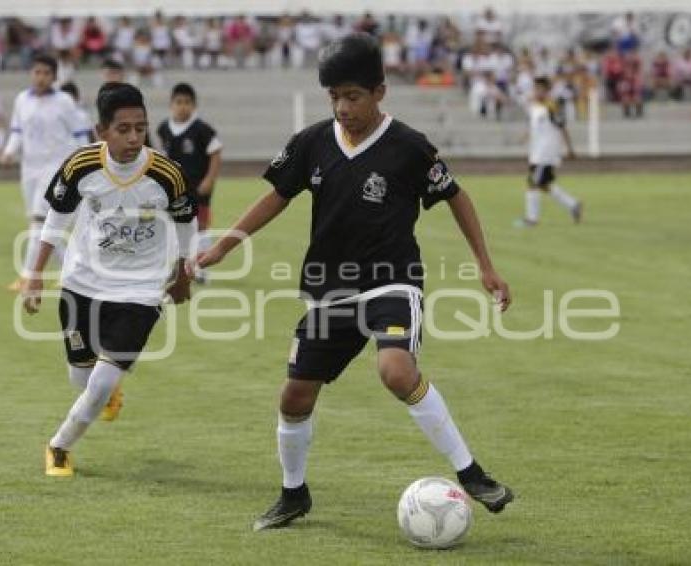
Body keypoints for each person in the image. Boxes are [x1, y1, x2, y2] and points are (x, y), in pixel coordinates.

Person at [188, 34, 514, 530]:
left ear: (380, 92)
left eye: (353, 96)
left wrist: (485, 267)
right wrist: (222, 247)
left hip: (392, 282)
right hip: (330, 289)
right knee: (294, 397)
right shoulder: (312, 142)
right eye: (334, 97)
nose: (342, 107)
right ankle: (293, 494)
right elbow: (276, 197)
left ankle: (471, 473)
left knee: (396, 371)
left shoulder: (408, 147)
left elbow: (456, 197)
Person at [21, 82, 196, 476]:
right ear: (102, 131)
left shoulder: (166, 174)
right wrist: (34, 275)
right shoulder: (81, 165)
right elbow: (55, 221)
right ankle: (103, 393)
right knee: (80, 377)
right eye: (124, 129)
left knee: (99, 384)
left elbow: (187, 220)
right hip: (82, 282)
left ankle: (58, 446)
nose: (135, 137)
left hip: (142, 289)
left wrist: (184, 271)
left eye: (141, 127)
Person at [1, 54, 91, 292]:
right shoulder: (22, 99)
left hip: (56, 167)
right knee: (41, 223)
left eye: (46, 73)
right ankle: (72, 272)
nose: (41, 78)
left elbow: (80, 135)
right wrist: (9, 151)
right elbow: (17, 130)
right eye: (37, 72)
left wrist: (86, 165)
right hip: (29, 168)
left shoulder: (64, 102)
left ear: (54, 76)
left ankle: (28, 276)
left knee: (41, 220)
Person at [156, 83, 222, 283]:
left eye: (187, 103)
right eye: (178, 102)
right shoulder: (164, 128)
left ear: (194, 106)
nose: (182, 106)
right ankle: (177, 268)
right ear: (171, 105)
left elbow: (216, 152)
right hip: (176, 188)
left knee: (200, 226)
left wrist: (209, 179)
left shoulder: (202, 129)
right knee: (174, 227)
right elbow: (162, 155)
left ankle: (201, 269)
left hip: (198, 187)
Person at [517, 77, 582, 227]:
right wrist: (524, 137)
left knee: (532, 182)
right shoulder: (535, 107)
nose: (537, 92)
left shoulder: (552, 106)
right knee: (544, 185)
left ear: (547, 90)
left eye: (540, 89)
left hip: (546, 153)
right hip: (536, 152)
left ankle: (531, 219)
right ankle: (573, 205)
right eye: (535, 88)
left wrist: (570, 149)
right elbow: (534, 127)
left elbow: (562, 127)